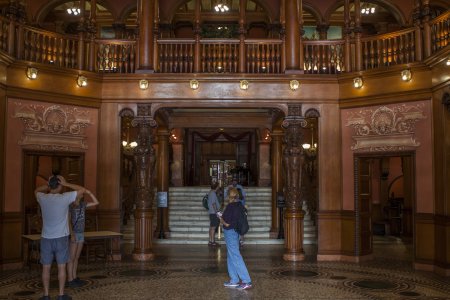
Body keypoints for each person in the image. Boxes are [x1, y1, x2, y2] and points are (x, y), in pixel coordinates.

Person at [35, 175, 86, 300]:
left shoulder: (42, 197)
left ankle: (46, 295)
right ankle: (61, 295)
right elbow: (82, 190)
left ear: (50, 185)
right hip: (61, 238)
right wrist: (66, 183)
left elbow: (36, 190)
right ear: (59, 185)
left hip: (46, 237)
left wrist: (49, 184)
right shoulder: (64, 198)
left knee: (46, 268)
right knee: (61, 267)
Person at [218, 187, 252, 290]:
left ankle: (246, 281)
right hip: (236, 232)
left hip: (230, 233)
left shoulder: (230, 206)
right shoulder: (239, 205)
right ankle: (234, 280)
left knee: (235, 256)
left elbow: (227, 223)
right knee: (230, 255)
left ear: (229, 196)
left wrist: (220, 219)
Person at [66, 190, 99, 287]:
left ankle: (74, 277)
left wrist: (90, 193)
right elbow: (68, 221)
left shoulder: (83, 204)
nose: (82, 193)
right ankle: (70, 279)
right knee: (71, 258)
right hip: (74, 233)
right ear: (75, 194)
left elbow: (96, 202)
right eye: (81, 192)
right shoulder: (70, 206)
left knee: (76, 257)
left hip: (81, 233)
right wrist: (71, 234)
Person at [207, 181, 221, 247]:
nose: (219, 187)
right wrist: (217, 212)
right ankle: (212, 242)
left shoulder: (211, 192)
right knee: (213, 227)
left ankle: (210, 241)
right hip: (213, 213)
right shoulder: (212, 193)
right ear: (216, 187)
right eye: (218, 186)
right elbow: (213, 204)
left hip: (211, 212)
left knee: (211, 227)